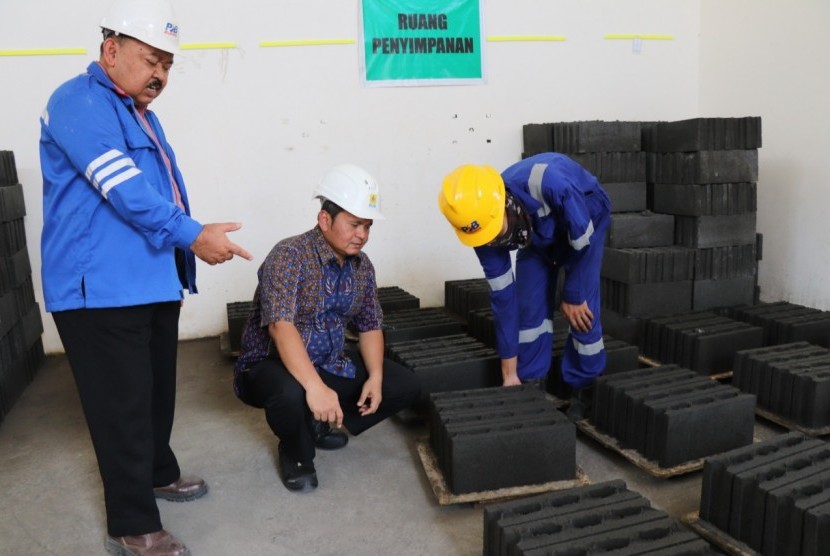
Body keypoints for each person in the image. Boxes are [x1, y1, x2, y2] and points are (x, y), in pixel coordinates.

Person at [39, 1, 253, 554]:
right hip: (99, 292)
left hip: (148, 282)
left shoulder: (140, 114)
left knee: (156, 395)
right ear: (111, 51)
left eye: (168, 64)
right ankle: (134, 523)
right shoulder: (78, 102)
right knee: (123, 407)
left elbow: (161, 195)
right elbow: (126, 191)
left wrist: (185, 249)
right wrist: (192, 236)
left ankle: (158, 471)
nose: (160, 74)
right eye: (149, 59)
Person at [234, 164, 422, 492]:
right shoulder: (289, 255)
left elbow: (370, 325)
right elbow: (281, 327)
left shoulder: (362, 266)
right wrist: (315, 388)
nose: (361, 234)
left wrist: (376, 379)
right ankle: (296, 450)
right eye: (353, 224)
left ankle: (320, 420)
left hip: (327, 359)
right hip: (270, 366)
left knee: (404, 385)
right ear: (325, 220)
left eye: (367, 226)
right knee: (291, 394)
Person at [437, 153, 611, 421]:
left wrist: (573, 292)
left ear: (504, 204)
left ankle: (583, 387)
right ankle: (531, 383)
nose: (493, 241)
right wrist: (509, 373)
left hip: (587, 217)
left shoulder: (551, 183)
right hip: (536, 238)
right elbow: (504, 299)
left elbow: (583, 242)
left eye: (496, 231)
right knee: (529, 311)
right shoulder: (480, 232)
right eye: (487, 237)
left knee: (582, 311)